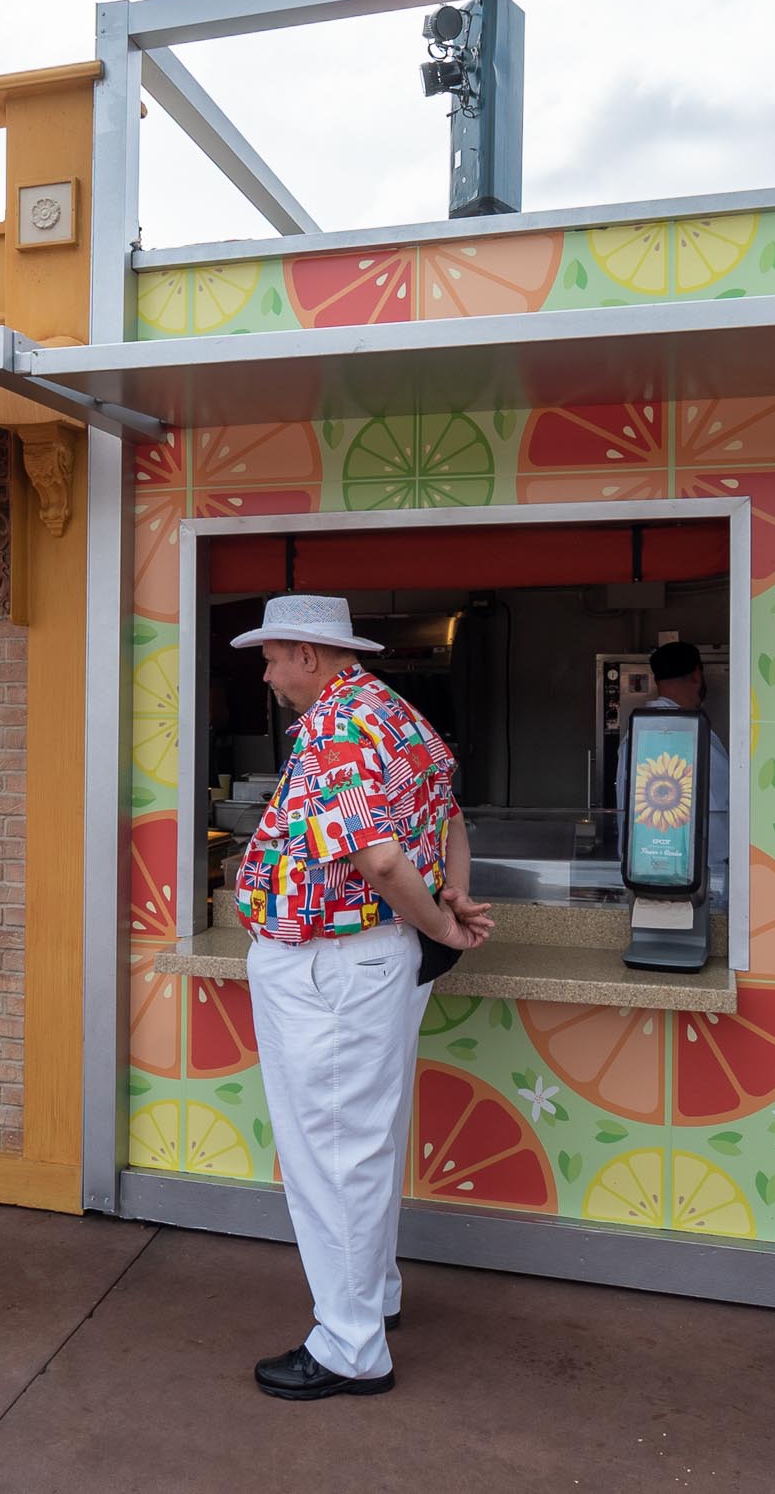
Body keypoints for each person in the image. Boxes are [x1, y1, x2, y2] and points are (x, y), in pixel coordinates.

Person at [228, 595, 492, 1401]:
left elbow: (377, 860)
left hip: (333, 968)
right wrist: (449, 900)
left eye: (272, 657)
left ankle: (348, 1347)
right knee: (363, 1144)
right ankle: (371, 1300)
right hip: (373, 961)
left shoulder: (338, 726)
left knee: (332, 1157)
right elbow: (449, 816)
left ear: (310, 654)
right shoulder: (393, 709)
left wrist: (445, 932)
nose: (268, 673)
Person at [616, 640, 730, 861]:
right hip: (697, 870)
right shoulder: (697, 733)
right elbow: (721, 808)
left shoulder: (633, 735)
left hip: (641, 863)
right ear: (697, 675)